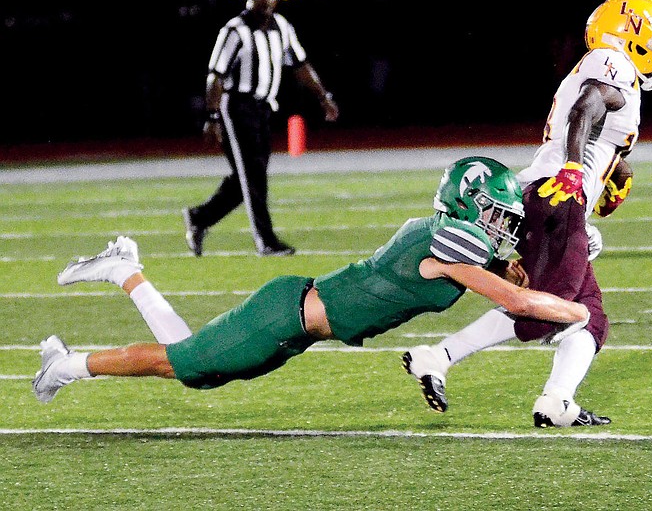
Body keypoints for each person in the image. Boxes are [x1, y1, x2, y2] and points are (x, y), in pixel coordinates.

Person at [33, 157, 592, 405]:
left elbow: (506, 275)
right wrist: (579, 312)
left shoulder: (451, 240)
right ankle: (63, 365)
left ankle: (124, 269)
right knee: (177, 363)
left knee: (193, 368)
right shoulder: (449, 246)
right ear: (470, 206)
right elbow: (516, 299)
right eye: (495, 212)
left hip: (295, 323)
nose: (501, 225)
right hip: (283, 316)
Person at [402, 0, 652, 427]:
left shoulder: (613, 70)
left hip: (556, 196)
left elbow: (599, 136)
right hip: (557, 195)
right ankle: (436, 356)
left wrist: (616, 173)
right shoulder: (614, 62)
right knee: (547, 313)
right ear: (631, 35)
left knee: (591, 318)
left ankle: (557, 400)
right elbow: (587, 107)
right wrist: (574, 171)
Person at [183, 0, 340, 258]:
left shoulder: (282, 27)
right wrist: (212, 116)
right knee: (253, 176)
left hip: (263, 108)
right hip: (236, 107)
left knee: (247, 176)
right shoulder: (235, 30)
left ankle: (200, 217)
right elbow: (215, 76)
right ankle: (265, 241)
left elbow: (300, 64)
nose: (266, 1)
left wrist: (323, 96)